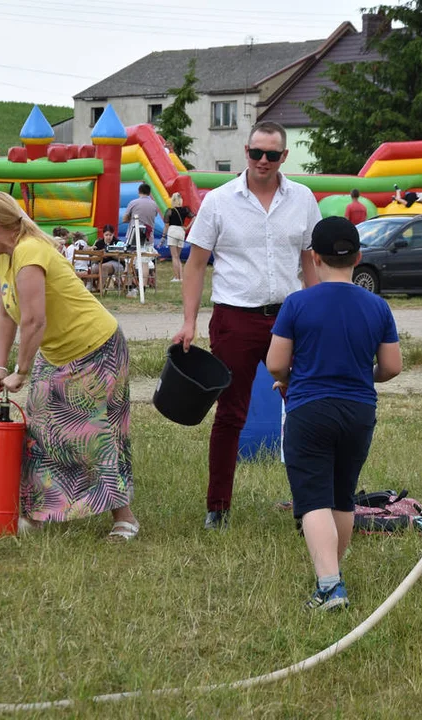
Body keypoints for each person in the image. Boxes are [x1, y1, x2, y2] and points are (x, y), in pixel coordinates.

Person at [172, 120, 321, 530]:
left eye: (272, 155)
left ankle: (308, 505)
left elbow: (309, 261)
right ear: (246, 151)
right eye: (256, 153)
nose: (263, 161)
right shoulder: (219, 201)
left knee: (304, 408)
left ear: (284, 157)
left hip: (290, 319)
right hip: (235, 318)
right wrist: (189, 322)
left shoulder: (303, 199)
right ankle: (217, 507)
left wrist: (319, 311)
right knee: (230, 414)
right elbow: (196, 262)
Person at [0, 191, 139, 541]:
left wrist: (22, 370)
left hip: (96, 347)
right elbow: (6, 310)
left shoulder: (30, 252)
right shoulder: (7, 255)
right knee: (40, 432)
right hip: (58, 353)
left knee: (96, 434)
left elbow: (33, 320)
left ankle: (125, 519)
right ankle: (40, 513)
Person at [266, 216, 402, 611]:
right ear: (358, 256)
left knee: (312, 499)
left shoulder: (297, 303)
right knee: (343, 497)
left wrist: (290, 378)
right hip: (359, 411)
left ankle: (329, 586)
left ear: (314, 258)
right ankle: (333, 575)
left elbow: (276, 364)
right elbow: (391, 367)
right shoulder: (377, 306)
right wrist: (365, 374)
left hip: (310, 409)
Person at [163, 192, 195, 282]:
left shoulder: (169, 211)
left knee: (174, 256)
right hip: (181, 231)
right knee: (178, 256)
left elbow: (166, 225)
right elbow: (194, 217)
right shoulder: (185, 210)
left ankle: (176, 277)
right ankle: (181, 277)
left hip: (172, 231)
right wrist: (187, 227)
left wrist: (163, 236)